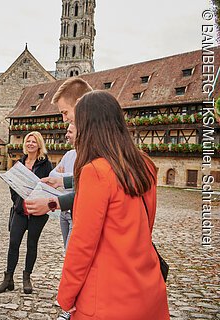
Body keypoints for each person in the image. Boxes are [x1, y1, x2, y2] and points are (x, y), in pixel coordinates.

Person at [56, 91, 169, 319]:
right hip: (147, 287)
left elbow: (82, 244)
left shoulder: (96, 171)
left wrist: (66, 296)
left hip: (108, 294)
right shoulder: (145, 164)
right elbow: (146, 226)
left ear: (89, 127)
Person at [0, 131, 53, 295]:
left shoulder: (46, 165)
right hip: (20, 211)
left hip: (37, 212)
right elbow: (12, 186)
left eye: (34, 142)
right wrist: (17, 202)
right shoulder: (19, 163)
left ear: (39, 144)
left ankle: (27, 278)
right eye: (28, 141)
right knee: (13, 243)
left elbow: (49, 188)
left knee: (32, 244)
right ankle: (8, 279)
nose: (30, 144)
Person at [25, 77, 92, 217]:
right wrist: (60, 180)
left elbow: (93, 189)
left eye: (65, 112)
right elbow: (88, 181)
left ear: (80, 104)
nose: (64, 119)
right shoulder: (90, 141)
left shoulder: (97, 142)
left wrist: (52, 204)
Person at [49, 124, 77, 248]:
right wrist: (68, 176)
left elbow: (82, 177)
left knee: (71, 251)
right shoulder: (69, 154)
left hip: (74, 210)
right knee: (67, 251)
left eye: (70, 132)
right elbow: (52, 174)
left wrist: (62, 177)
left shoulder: (88, 155)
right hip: (63, 211)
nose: (66, 135)